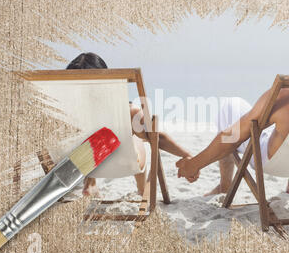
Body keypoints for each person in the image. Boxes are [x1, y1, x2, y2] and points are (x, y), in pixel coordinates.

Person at [66, 52, 197, 196]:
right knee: (132, 136)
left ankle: (89, 184)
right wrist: (187, 155)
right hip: (123, 164)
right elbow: (155, 137)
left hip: (77, 163)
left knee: (90, 139)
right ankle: (142, 190)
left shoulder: (61, 112)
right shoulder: (127, 111)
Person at [176, 88, 289, 195]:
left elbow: (232, 137)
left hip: (268, 160)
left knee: (231, 106)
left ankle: (224, 187)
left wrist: (194, 165)